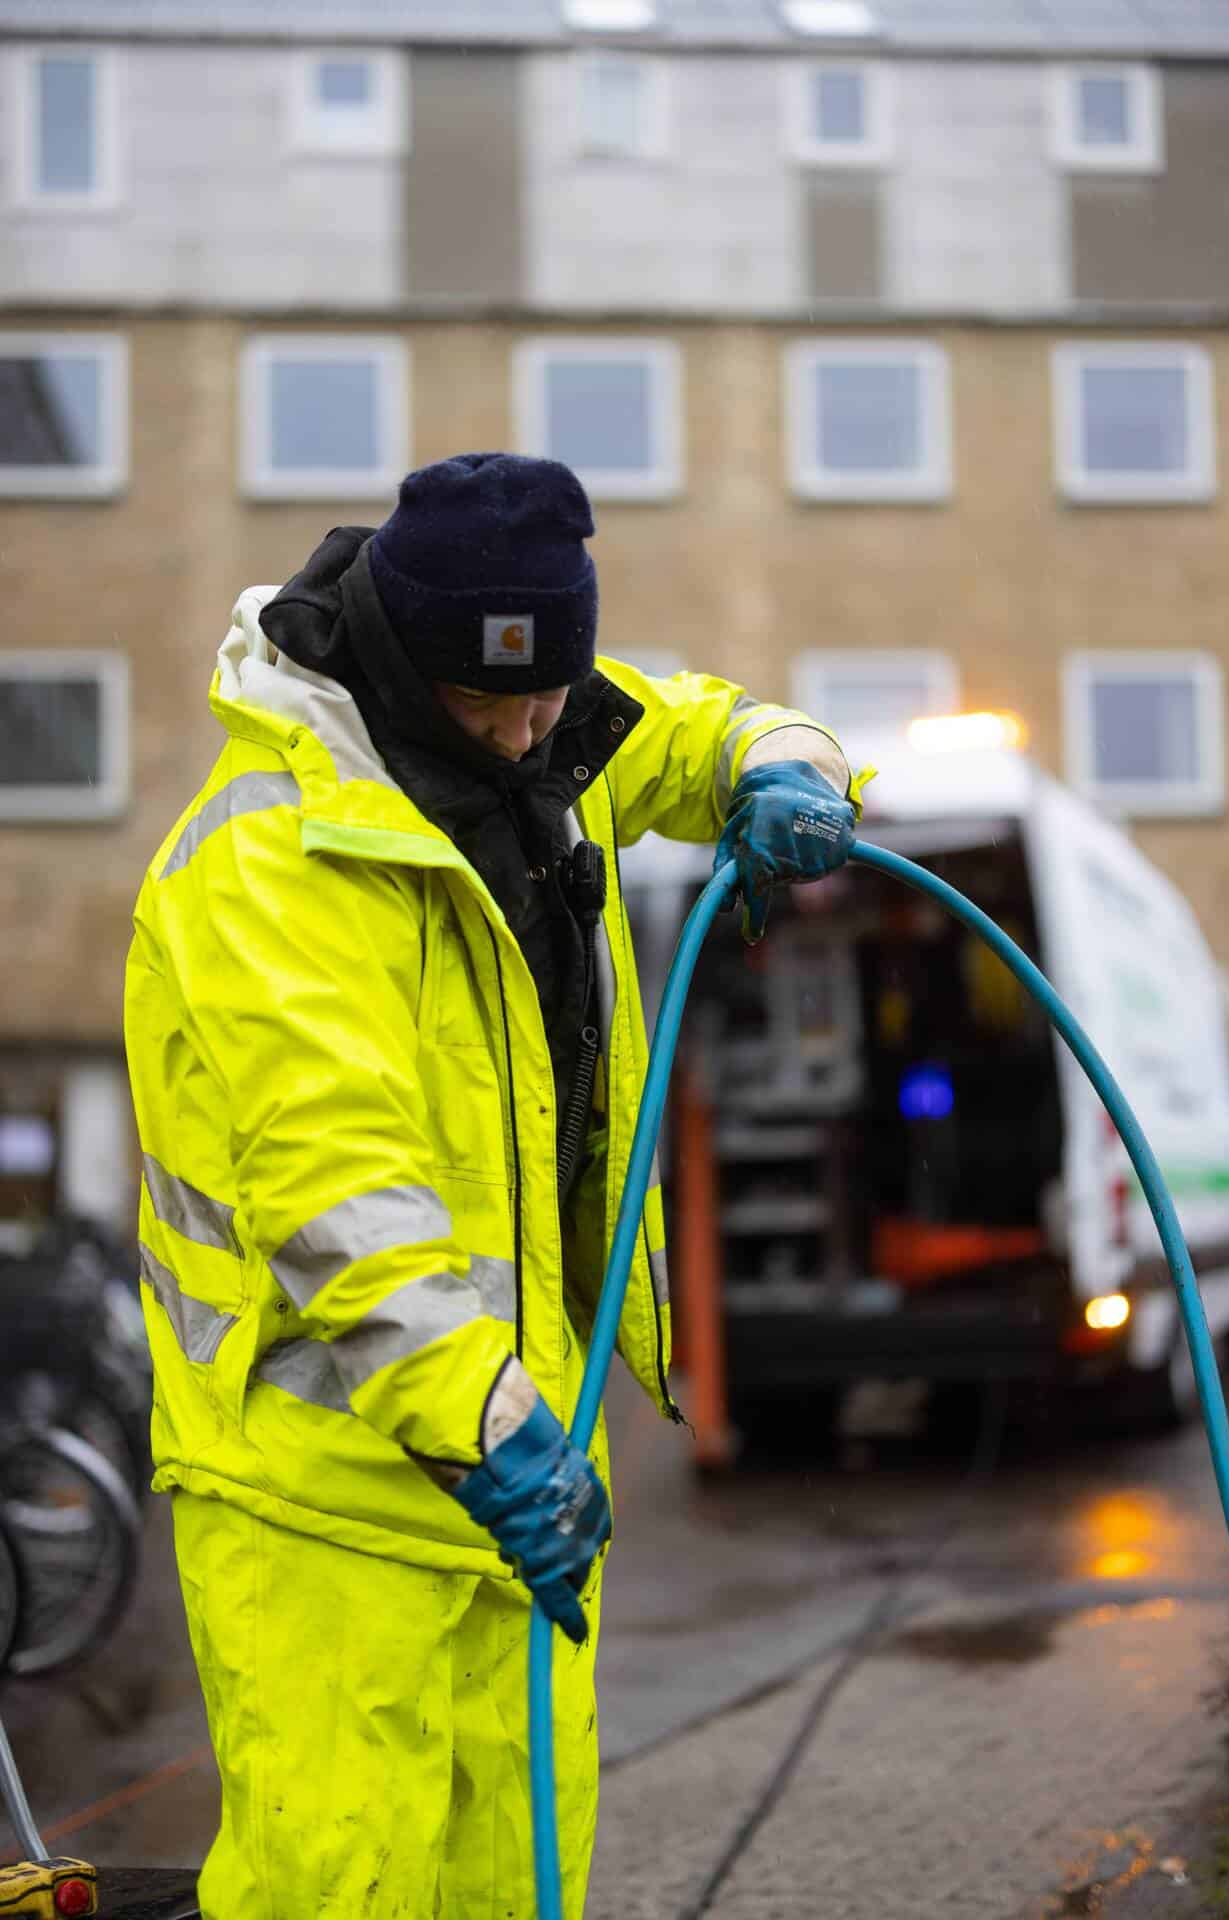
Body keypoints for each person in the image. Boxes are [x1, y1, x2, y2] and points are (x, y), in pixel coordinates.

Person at [123, 452, 868, 1919]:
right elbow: (340, 1185)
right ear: (403, 662)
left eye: (548, 696)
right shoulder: (272, 861)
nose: (528, 734)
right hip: (326, 1502)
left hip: (508, 1470)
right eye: (489, 701)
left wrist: (785, 764)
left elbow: (703, 726)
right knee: (340, 1888)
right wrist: (485, 1422)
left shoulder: (546, 745)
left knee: (517, 1888)